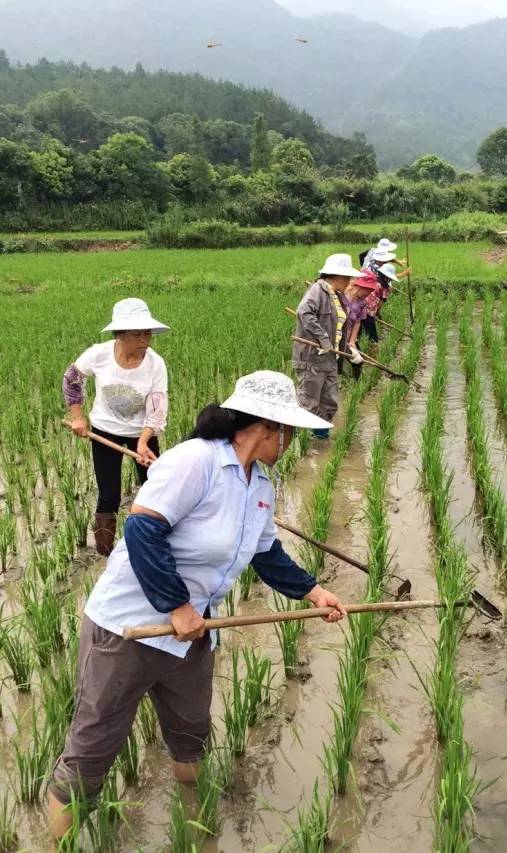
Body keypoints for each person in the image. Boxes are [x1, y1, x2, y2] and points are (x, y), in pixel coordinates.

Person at [48, 370, 347, 842]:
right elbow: (143, 530)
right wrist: (177, 606)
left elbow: (265, 553)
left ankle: (198, 818)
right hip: (129, 630)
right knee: (94, 745)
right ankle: (57, 844)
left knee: (190, 732)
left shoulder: (261, 485)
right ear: (264, 426)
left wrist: (314, 592)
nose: (289, 440)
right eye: (286, 430)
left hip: (190, 638)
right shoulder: (196, 462)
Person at [63, 298, 170, 557]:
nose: (145, 338)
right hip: (103, 431)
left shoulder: (155, 364)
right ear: (120, 334)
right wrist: (77, 417)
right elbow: (72, 378)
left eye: (147, 332)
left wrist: (144, 440)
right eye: (137, 333)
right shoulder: (99, 354)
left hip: (140, 434)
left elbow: (157, 410)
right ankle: (105, 556)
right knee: (109, 494)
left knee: (154, 489)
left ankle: (152, 546)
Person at [292, 253, 364, 439]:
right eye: (347, 277)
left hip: (330, 359)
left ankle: (321, 443)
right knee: (309, 403)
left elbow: (337, 331)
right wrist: (323, 339)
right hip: (312, 359)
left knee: (329, 404)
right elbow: (304, 312)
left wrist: (350, 352)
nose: (349, 281)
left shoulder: (337, 296)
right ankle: (304, 447)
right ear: (336, 276)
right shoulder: (318, 290)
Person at [338, 270, 379, 380]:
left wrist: (352, 340)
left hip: (349, 335)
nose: (369, 293)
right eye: (368, 290)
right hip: (337, 335)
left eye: (371, 290)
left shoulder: (362, 302)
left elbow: (358, 321)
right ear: (360, 286)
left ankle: (355, 385)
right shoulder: (340, 295)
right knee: (337, 363)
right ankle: (342, 382)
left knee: (357, 361)